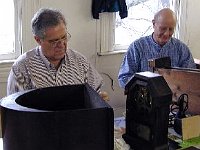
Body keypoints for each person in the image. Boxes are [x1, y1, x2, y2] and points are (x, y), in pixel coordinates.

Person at [7, 8, 109, 100]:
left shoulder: (79, 61)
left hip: (76, 119)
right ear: (38, 40)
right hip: (39, 120)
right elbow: (15, 110)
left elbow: (96, 91)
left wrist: (99, 97)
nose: (61, 45)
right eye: (54, 41)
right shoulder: (22, 68)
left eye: (64, 37)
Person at [118, 8, 196, 89]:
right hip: (144, 97)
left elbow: (191, 78)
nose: (166, 33)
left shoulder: (181, 49)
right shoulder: (137, 47)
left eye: (171, 29)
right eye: (163, 28)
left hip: (174, 97)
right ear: (154, 24)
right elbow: (124, 79)